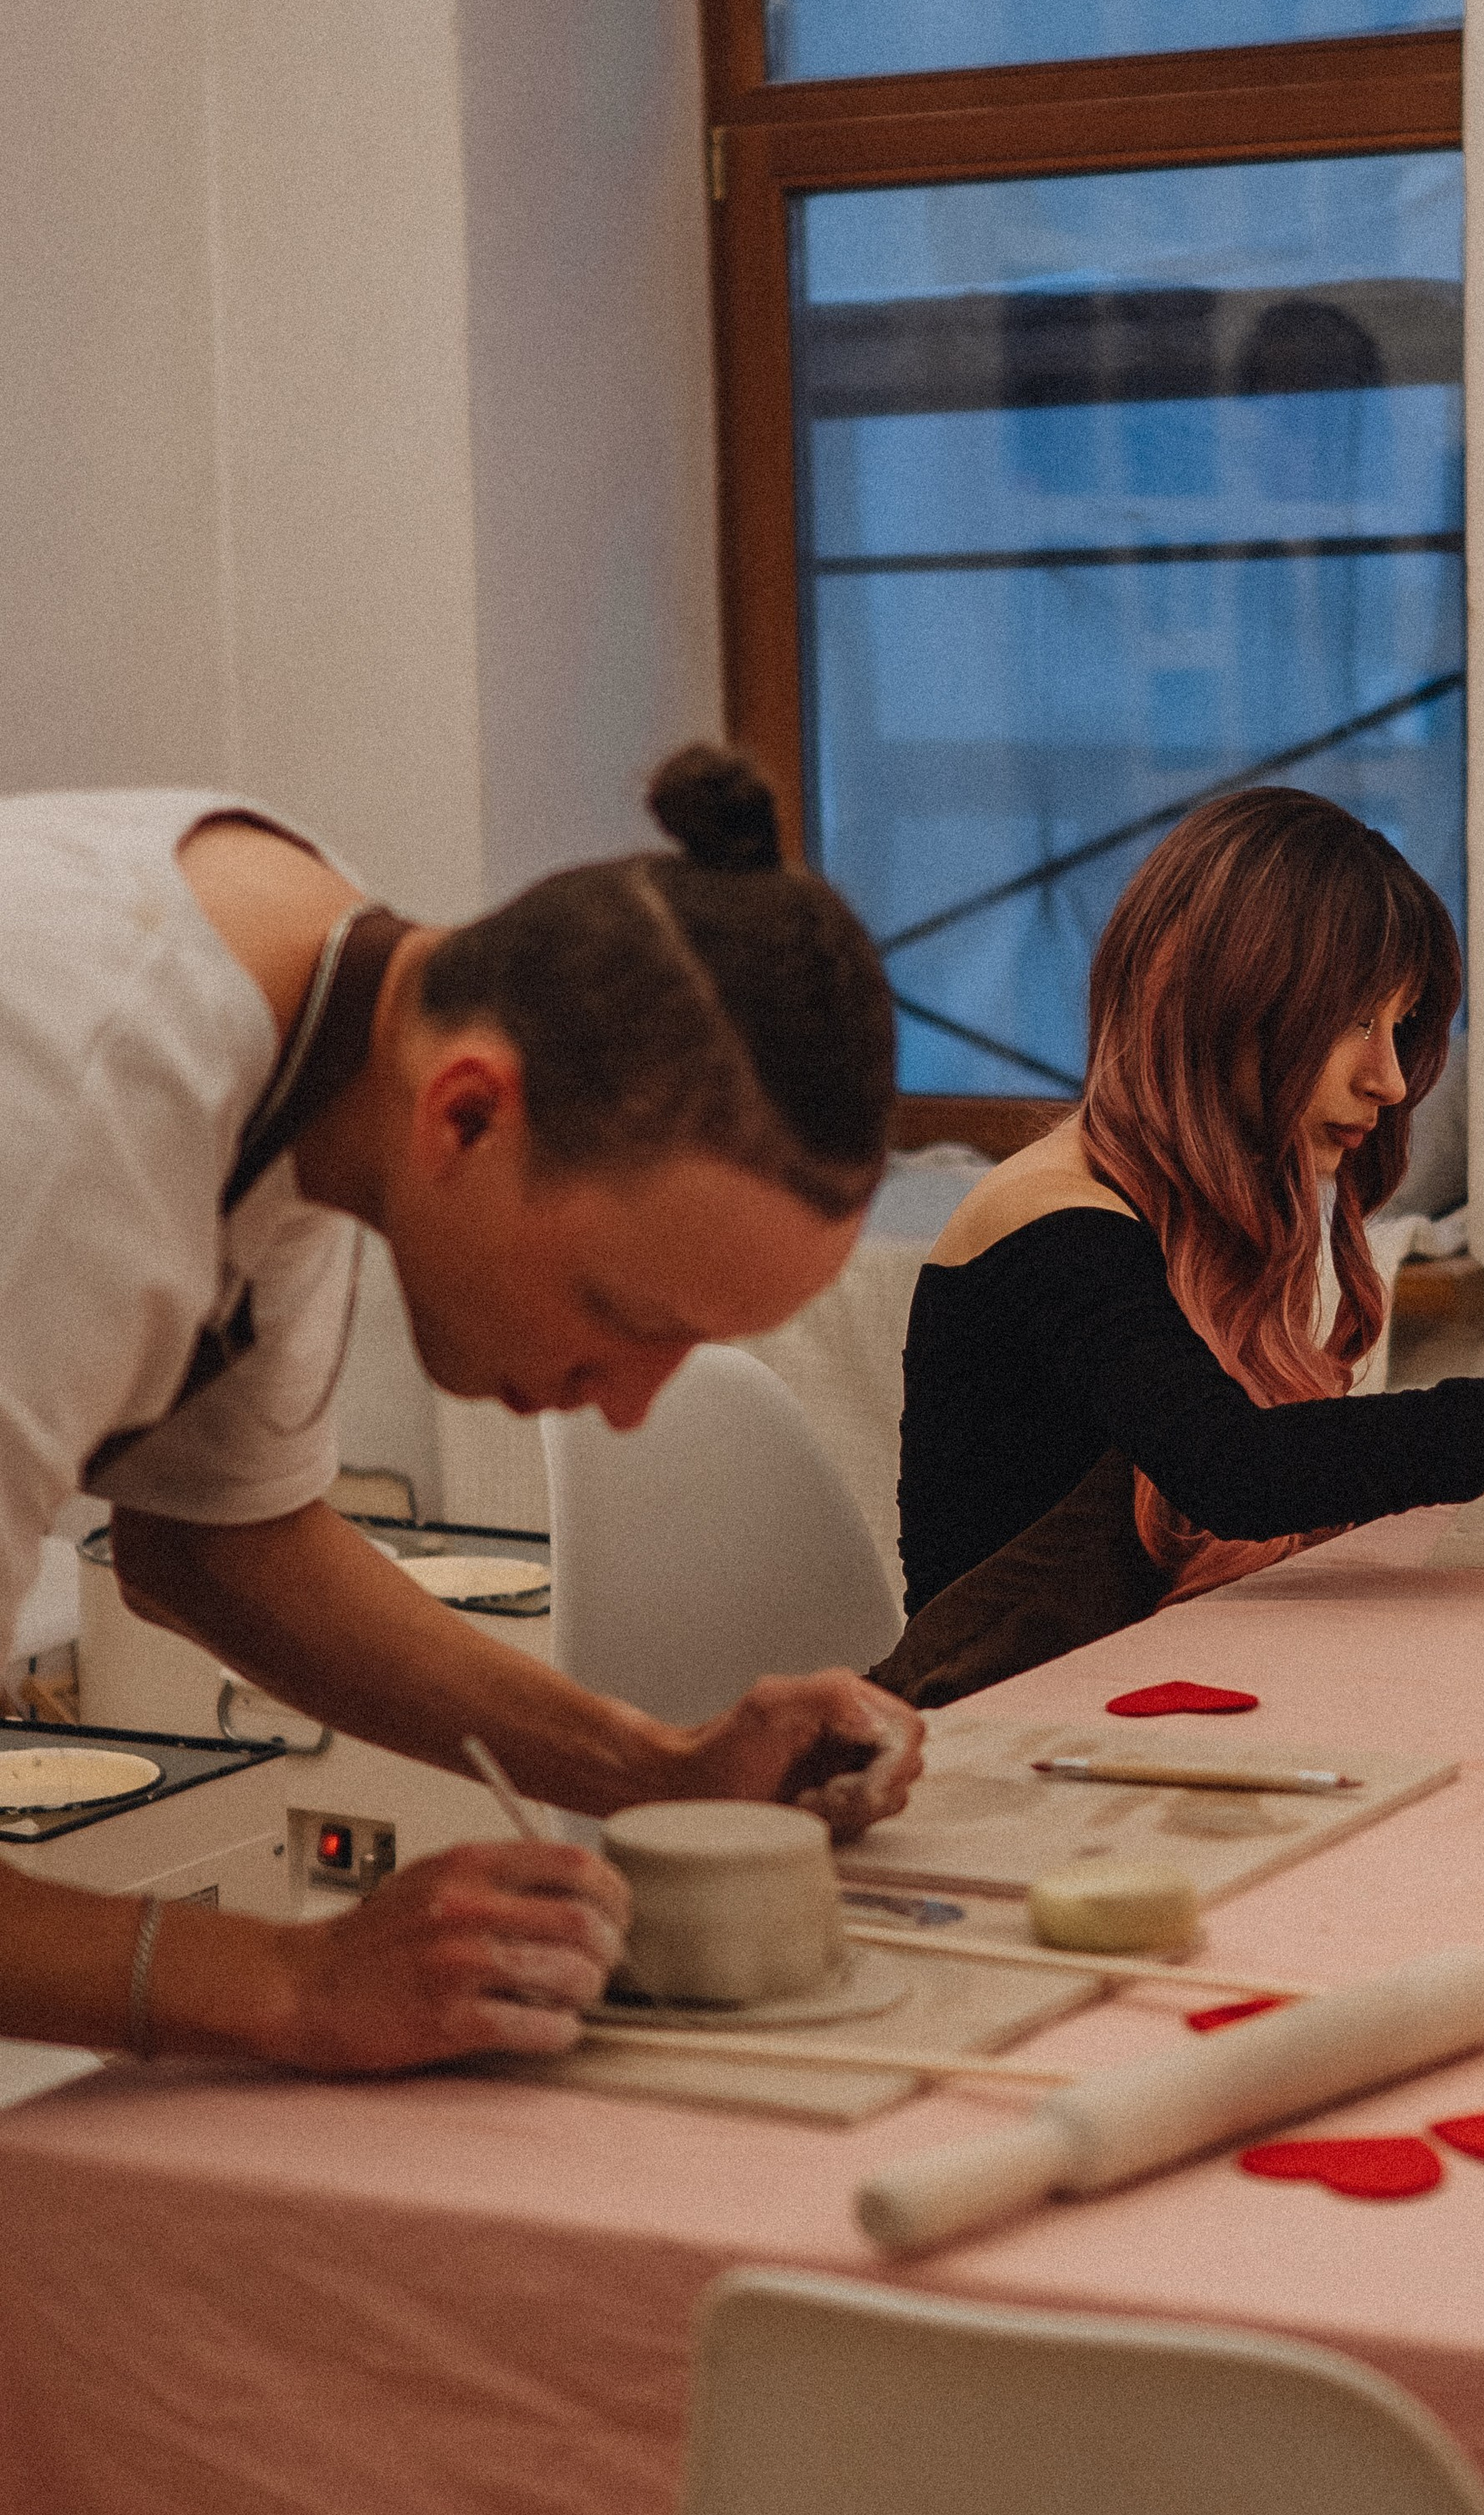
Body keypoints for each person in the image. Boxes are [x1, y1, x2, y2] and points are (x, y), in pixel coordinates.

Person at [0, 750, 921, 2070]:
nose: (631, 1408)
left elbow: (220, 1545)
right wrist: (290, 1979)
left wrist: (656, 1771)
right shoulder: (75, 1125)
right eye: (628, 1316)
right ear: (469, 1113)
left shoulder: (328, 1021)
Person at [880, 788, 1484, 1703]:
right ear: (1221, 999)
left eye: (1398, 1025)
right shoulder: (1048, 1214)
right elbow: (1240, 1469)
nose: (1388, 1078)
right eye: (1354, 1019)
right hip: (986, 1727)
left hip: (1116, 1692)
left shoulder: (1178, 1207)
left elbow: (1290, 1461)